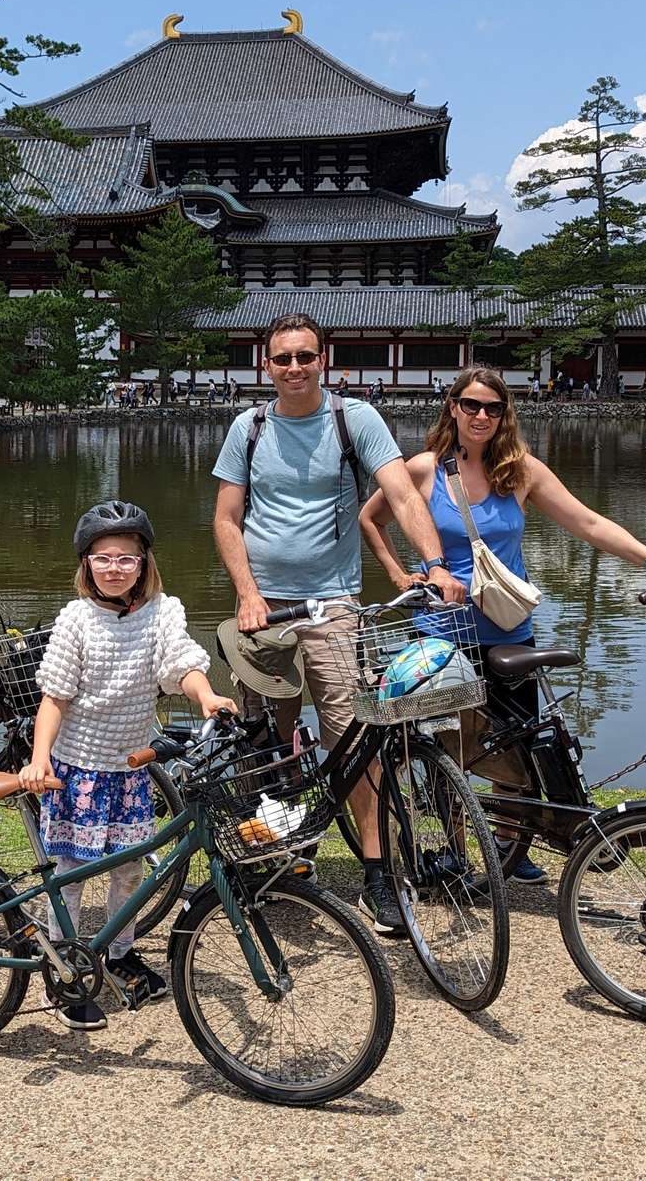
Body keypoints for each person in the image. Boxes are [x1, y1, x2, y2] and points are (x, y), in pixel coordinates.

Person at [361, 366, 646, 885]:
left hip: (508, 629)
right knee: (449, 743)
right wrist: (401, 574)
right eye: (471, 405)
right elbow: (370, 518)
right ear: (453, 407)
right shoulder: (424, 469)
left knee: (515, 743)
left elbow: (589, 523)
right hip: (441, 631)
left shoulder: (521, 470)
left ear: (505, 414)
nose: (481, 416)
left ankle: (513, 845)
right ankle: (455, 850)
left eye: (493, 408)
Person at [210, 310, 460, 935]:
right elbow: (226, 518)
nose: (294, 367)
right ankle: (276, 859)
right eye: (282, 358)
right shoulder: (249, 427)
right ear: (265, 365)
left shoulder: (357, 419)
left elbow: (402, 494)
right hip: (263, 610)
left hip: (333, 604)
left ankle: (377, 872)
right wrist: (246, 593)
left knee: (354, 740)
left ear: (326, 360)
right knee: (264, 743)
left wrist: (434, 564)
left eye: (305, 356)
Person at [18, 502, 235, 1028]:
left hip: (130, 769)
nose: (115, 568)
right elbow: (55, 698)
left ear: (144, 564)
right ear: (87, 564)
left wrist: (206, 695)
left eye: (127, 559)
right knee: (70, 875)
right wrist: (39, 757)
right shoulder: (76, 620)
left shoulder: (165, 611)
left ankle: (120, 952)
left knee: (130, 869)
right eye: (103, 558)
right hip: (77, 770)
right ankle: (66, 966)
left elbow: (180, 662)